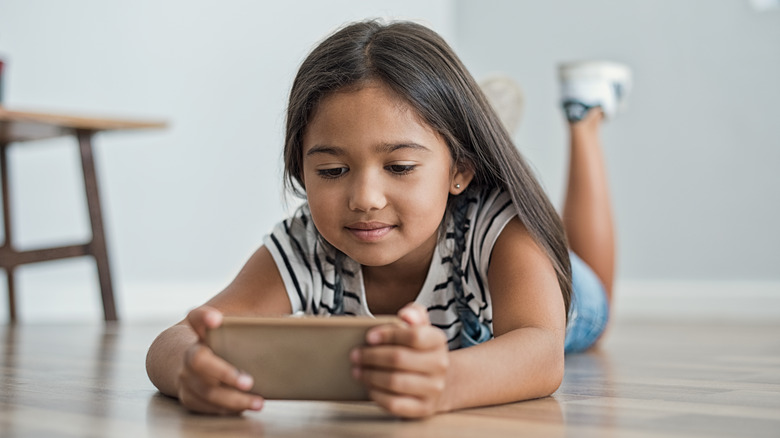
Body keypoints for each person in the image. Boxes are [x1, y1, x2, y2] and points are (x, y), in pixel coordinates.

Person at [146, 19, 631, 419]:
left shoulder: (500, 226)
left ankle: (583, 117)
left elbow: (542, 353)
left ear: (462, 170)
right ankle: (450, 136)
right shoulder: (305, 245)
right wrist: (191, 366)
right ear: (300, 168)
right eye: (333, 170)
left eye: (398, 167)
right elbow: (176, 339)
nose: (364, 198)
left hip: (562, 297)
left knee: (589, 290)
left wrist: (446, 383)